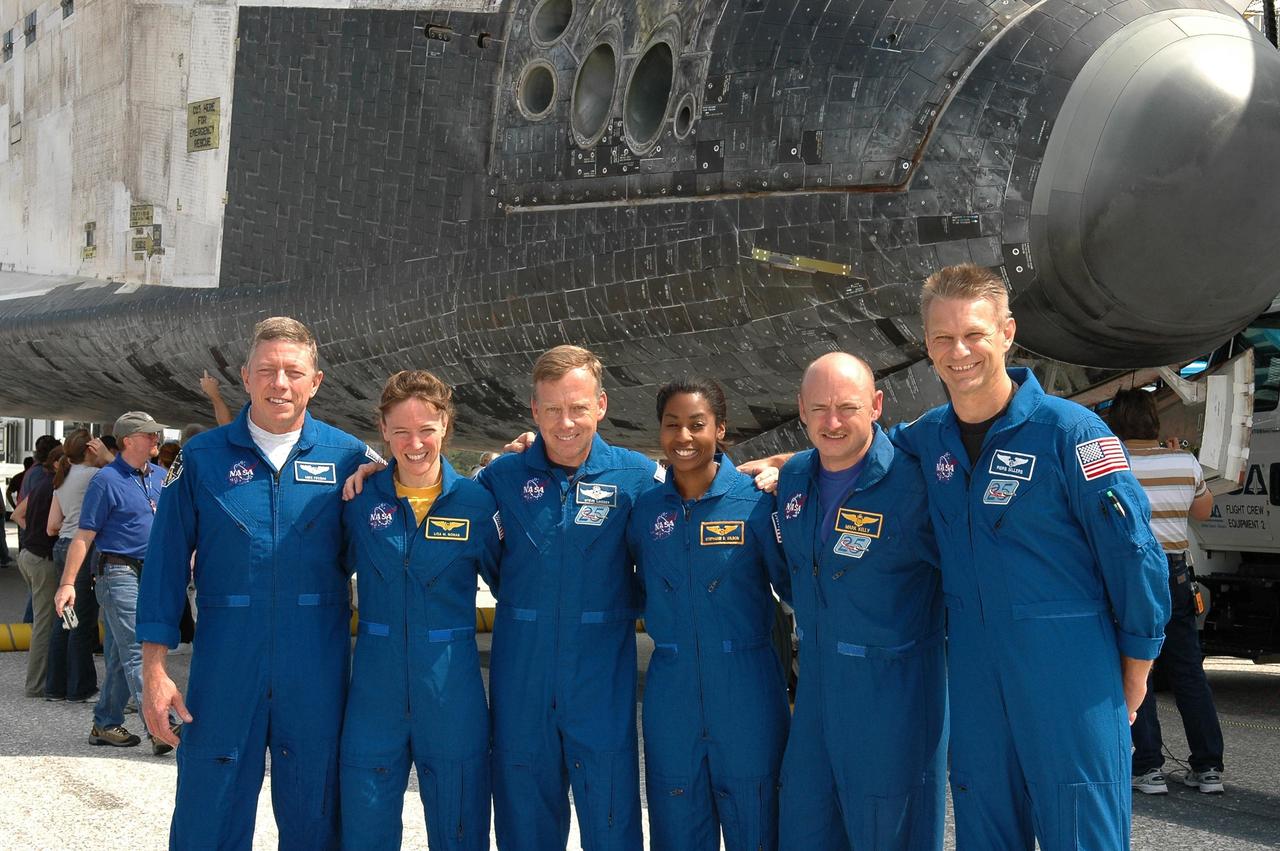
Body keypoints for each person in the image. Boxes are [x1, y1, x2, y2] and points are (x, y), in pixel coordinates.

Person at [892, 264, 1170, 850]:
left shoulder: (1071, 433)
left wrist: (1137, 666)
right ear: (927, 346)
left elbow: (1134, 554)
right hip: (973, 675)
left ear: (1008, 333)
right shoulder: (930, 435)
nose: (958, 351)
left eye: (974, 334)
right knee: (985, 828)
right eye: (942, 338)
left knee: (1081, 832)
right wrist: (788, 464)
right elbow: (856, 451)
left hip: (1068, 674)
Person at [137, 316, 376, 850]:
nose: (280, 383)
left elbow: (399, 542)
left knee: (318, 816)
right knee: (208, 812)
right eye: (267, 370)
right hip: (226, 667)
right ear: (245, 377)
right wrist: (154, 670)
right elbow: (165, 566)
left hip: (316, 667)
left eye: (294, 371)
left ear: (316, 381)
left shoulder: (351, 461)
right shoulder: (200, 459)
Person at [478, 345, 655, 851]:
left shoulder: (636, 477)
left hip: (601, 677)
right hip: (521, 676)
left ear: (601, 404)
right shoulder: (500, 479)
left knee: (612, 815)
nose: (566, 422)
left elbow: (664, 549)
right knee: (524, 818)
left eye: (577, 407)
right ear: (534, 411)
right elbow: (489, 559)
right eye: (552, 409)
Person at [774, 353, 945, 850]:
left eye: (847, 407)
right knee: (806, 826)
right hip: (816, 695)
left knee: (887, 833)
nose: (832, 422)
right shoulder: (794, 478)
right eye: (820, 408)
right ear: (801, 410)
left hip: (893, 698)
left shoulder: (916, 484)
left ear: (875, 405)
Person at [625, 377, 790, 851]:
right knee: (676, 823)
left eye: (697, 424)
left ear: (721, 430)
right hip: (671, 691)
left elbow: (794, 588)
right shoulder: (644, 511)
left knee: (756, 821)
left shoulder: (757, 503)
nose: (683, 437)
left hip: (748, 689)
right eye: (672, 424)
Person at [340, 370, 500, 850]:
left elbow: (514, 586)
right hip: (374, 693)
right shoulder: (356, 498)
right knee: (365, 831)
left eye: (427, 429)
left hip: (452, 692)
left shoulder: (475, 503)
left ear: (445, 426)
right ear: (383, 430)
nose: (415, 443)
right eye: (402, 430)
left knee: (460, 828)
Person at [1107, 388, 1225, 795]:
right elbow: (1203, 511)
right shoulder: (1183, 461)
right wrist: (1177, 458)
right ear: (1154, 421)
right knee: (1189, 670)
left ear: (1115, 422)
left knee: (1138, 668)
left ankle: (1148, 767)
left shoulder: (1112, 462)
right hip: (1176, 573)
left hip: (1131, 573)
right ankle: (1209, 767)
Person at [53, 413, 167, 751]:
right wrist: (67, 582)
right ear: (128, 440)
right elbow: (83, 535)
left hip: (151, 572)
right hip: (117, 572)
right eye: (149, 435)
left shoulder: (161, 477)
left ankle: (105, 724)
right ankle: (161, 726)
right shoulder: (105, 480)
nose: (156, 440)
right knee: (138, 649)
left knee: (119, 654)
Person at [44, 430, 105, 703]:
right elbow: (126, 474)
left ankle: (55, 687)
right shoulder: (95, 475)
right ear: (90, 448)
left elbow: (52, 526)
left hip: (61, 546)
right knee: (82, 620)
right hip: (82, 548)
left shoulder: (63, 478)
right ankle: (81, 687)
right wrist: (107, 455)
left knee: (64, 618)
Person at [14, 446, 63, 699]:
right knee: (44, 624)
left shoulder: (41, 485)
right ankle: (35, 685)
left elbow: (17, 514)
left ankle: (46, 679)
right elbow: (55, 527)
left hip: (28, 555)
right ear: (57, 463)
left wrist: (33, 531)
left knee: (44, 620)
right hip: (43, 560)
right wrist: (48, 532)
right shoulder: (55, 488)